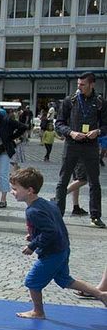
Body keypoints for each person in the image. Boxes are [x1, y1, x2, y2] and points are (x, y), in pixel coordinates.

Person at [10, 167, 107, 318]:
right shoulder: (47, 203)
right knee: (65, 280)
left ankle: (38, 311)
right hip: (62, 248)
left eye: (15, 189)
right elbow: (53, 226)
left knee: (32, 282)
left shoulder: (33, 211)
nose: (12, 192)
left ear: (29, 190)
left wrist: (32, 245)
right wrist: (33, 236)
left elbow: (51, 231)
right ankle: (100, 294)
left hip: (53, 253)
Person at [53, 72, 105, 228]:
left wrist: (98, 131)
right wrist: (71, 132)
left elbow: (106, 125)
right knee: (63, 180)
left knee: (94, 182)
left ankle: (95, 216)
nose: (79, 87)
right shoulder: (70, 101)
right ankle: (58, 214)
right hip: (72, 144)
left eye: (82, 85)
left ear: (92, 84)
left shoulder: (100, 102)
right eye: (78, 84)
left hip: (91, 145)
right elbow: (59, 123)